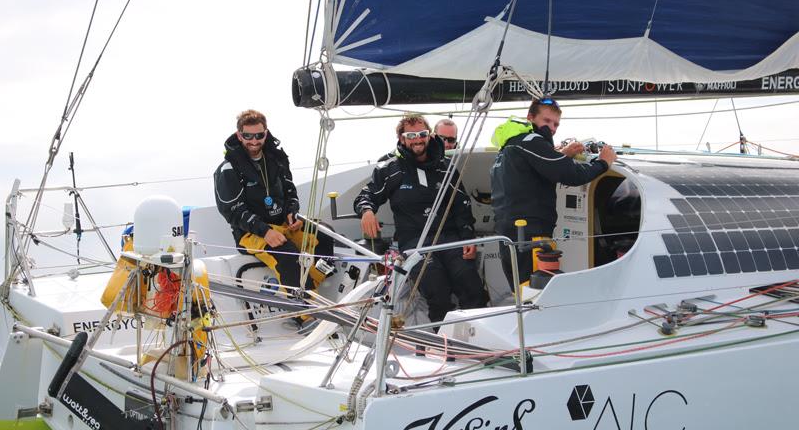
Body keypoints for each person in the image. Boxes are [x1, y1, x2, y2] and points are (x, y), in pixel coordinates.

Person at [354, 114, 487, 323]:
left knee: (471, 285)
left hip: (451, 238)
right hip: (415, 241)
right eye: (411, 135)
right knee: (437, 289)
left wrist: (468, 237)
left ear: (429, 135)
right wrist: (367, 211)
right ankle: (446, 345)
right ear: (402, 139)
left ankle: (479, 336)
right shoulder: (389, 169)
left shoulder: (446, 167)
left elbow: (460, 205)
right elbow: (366, 196)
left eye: (422, 134)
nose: (418, 139)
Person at [490, 96, 617, 289]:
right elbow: (572, 174)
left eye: (556, 124)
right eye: (546, 121)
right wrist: (604, 162)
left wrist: (561, 155)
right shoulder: (532, 140)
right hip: (531, 234)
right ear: (530, 118)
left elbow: (536, 170)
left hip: (508, 233)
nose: (552, 128)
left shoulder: (509, 145)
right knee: (537, 292)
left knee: (521, 289)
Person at [214, 109, 330, 294]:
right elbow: (233, 212)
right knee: (288, 255)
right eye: (248, 135)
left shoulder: (277, 159)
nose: (254, 140)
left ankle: (314, 286)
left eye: (259, 135)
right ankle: (303, 313)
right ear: (239, 135)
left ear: (265, 133)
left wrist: (292, 212)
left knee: (325, 234)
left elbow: (290, 191)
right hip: (250, 233)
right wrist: (266, 231)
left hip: (283, 224)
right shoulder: (228, 169)